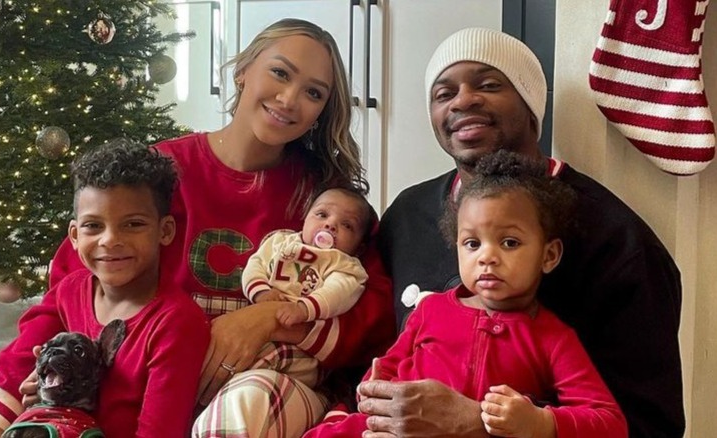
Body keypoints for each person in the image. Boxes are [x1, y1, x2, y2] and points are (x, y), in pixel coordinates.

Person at [0, 18, 396, 438]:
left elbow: (371, 313)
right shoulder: (158, 170)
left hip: (258, 379)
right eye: (280, 73)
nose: (290, 98)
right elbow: (71, 288)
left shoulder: (324, 202)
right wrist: (35, 381)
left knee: (240, 416)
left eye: (314, 92)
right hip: (132, 374)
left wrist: (266, 316)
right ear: (243, 71)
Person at [367, 28, 683, 437]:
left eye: (489, 84)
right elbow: (369, 351)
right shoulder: (406, 217)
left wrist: (480, 424)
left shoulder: (618, 242)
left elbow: (650, 427)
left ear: (532, 105)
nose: (463, 100)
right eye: (443, 93)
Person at [308, 150, 628, 438]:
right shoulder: (430, 309)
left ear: (549, 256)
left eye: (509, 242)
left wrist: (540, 423)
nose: (486, 257)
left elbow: (610, 423)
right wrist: (374, 390)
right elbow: (388, 367)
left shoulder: (552, 338)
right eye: (472, 244)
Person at [0, 139, 211, 438]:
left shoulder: (176, 323)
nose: (110, 240)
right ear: (74, 235)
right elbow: (25, 354)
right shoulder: (70, 291)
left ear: (165, 231)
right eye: (93, 226)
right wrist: (45, 392)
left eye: (133, 224)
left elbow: (159, 431)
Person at [242, 186, 375, 387]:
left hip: (303, 355)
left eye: (347, 225)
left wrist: (303, 309)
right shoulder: (279, 242)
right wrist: (261, 292)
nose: (330, 224)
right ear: (305, 219)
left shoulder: (345, 264)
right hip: (258, 331)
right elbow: (256, 264)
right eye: (322, 214)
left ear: (359, 247)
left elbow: (337, 293)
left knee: (251, 364)